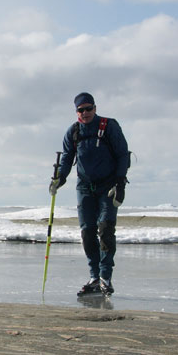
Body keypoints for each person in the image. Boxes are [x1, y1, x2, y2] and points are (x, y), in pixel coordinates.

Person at [49, 92, 129, 296]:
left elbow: (122, 154)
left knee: (106, 229)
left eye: (88, 108)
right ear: (76, 112)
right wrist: (60, 178)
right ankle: (94, 276)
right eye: (80, 110)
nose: (85, 113)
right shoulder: (73, 132)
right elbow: (67, 158)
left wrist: (120, 182)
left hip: (108, 186)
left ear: (95, 108)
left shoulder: (109, 126)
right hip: (84, 187)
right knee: (87, 231)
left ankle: (105, 277)